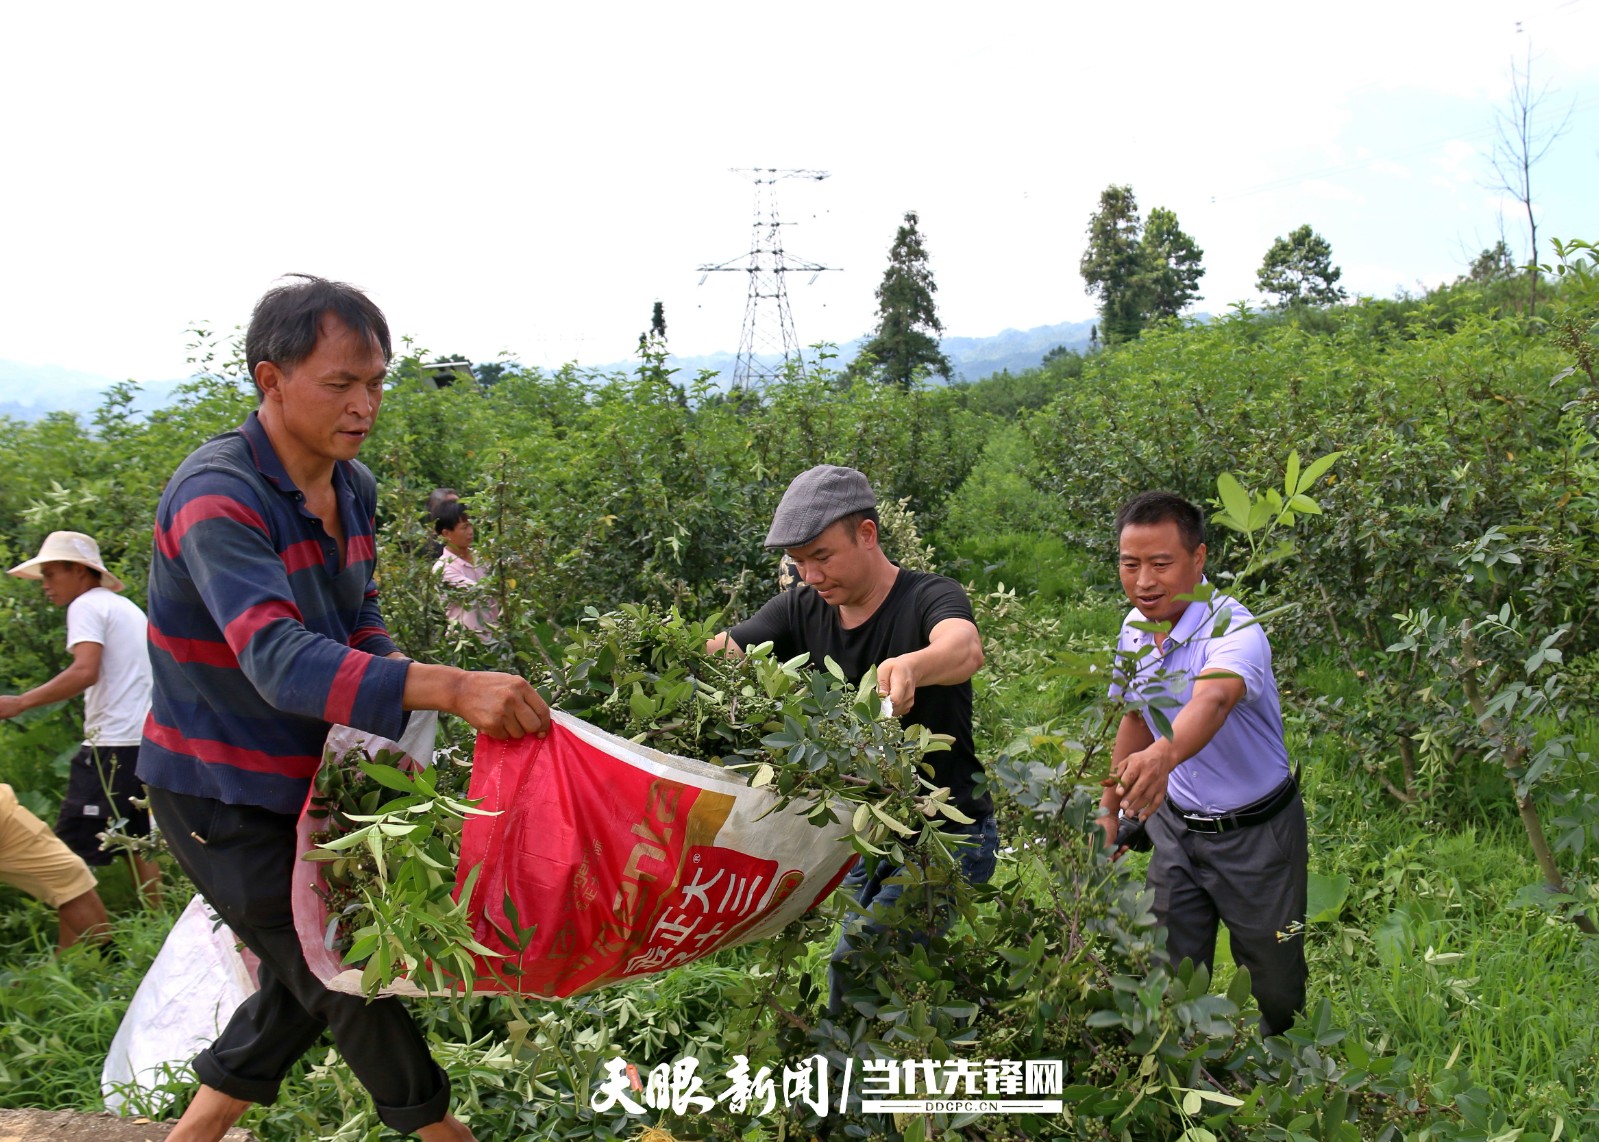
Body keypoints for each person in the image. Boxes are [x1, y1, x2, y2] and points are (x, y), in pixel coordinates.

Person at [138, 275, 551, 1142]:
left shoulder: (349, 486)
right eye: (339, 384)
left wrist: (394, 674)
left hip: (316, 782)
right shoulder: (220, 498)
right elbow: (279, 660)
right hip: (224, 791)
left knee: (304, 978)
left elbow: (353, 612)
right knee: (348, 979)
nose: (363, 405)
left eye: (375, 382)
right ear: (269, 379)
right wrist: (446, 686)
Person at [705, 464, 997, 1017]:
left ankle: (852, 1099)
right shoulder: (801, 606)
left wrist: (914, 664)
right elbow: (729, 651)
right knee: (888, 981)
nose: (810, 574)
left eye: (822, 556)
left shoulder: (928, 597)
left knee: (858, 963)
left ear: (867, 534)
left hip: (948, 838)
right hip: (866, 838)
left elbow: (964, 649)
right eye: (798, 561)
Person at [1096, 491, 1306, 1037]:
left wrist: (1165, 756)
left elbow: (1212, 700)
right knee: (1170, 972)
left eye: (1161, 564)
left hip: (1257, 834)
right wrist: (1109, 808)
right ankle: (1181, 1074)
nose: (1144, 581)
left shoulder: (1235, 630)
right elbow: (1135, 718)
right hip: (1176, 826)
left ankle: (1287, 1078)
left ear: (1199, 559)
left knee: (1277, 986)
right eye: (1130, 564)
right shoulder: (1134, 629)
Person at [2, 531, 161, 903]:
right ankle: (157, 920)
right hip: (142, 737)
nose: (45, 585)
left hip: (113, 742)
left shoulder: (86, 606)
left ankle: (89, 935)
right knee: (137, 839)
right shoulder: (120, 606)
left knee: (61, 852)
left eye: (51, 574)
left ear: (78, 571)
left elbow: (84, 671)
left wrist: (20, 702)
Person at [0, 781, 111, 951]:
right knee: (68, 878)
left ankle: (73, 961)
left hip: (5, 818)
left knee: (68, 877)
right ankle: (112, 962)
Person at [432, 501, 499, 635]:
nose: (470, 532)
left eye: (470, 526)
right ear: (446, 533)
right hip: (468, 640)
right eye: (464, 527)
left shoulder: (481, 557)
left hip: (495, 636)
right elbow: (478, 591)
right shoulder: (443, 568)